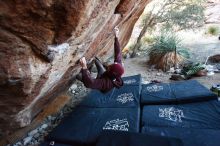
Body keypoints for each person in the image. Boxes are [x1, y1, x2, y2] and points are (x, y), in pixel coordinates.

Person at [77, 27, 124, 93]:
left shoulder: (106, 84)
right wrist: (116, 36)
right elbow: (118, 53)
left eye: (109, 67)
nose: (109, 65)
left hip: (100, 82)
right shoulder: (118, 68)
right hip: (105, 75)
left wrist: (84, 67)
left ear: (111, 72)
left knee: (79, 76)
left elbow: (89, 84)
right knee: (96, 60)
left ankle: (87, 73)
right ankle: (89, 70)